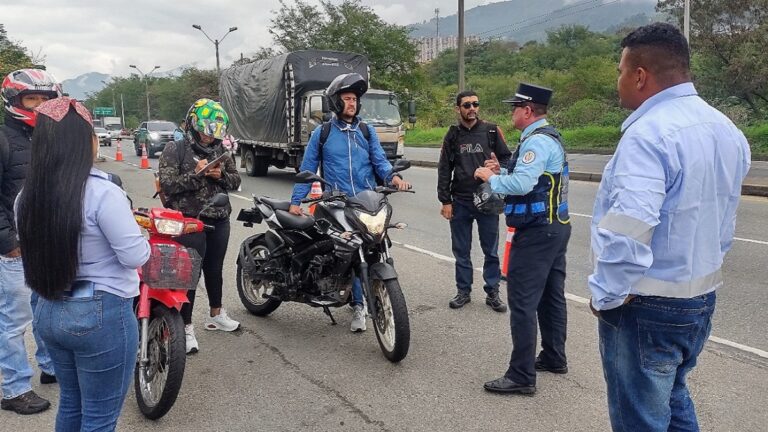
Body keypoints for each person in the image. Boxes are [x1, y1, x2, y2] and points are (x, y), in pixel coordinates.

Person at [588, 23, 751, 431]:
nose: (618, 80)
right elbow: (725, 223)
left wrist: (606, 294)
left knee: (639, 418)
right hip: (699, 298)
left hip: (645, 304)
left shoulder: (648, 135)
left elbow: (630, 226)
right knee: (674, 397)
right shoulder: (726, 130)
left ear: (640, 75)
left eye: (621, 70)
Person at [16, 97, 150, 429]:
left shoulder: (25, 197)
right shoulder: (103, 193)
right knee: (100, 418)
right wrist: (142, 238)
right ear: (86, 142)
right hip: (100, 315)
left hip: (49, 310)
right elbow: (135, 256)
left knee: (72, 406)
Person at [289, 73, 411, 332]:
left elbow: (380, 162)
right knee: (348, 252)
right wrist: (296, 201)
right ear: (335, 102)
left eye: (355, 99)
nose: (352, 103)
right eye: (347, 98)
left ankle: (378, 294)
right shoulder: (322, 134)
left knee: (376, 246)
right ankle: (357, 304)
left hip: (366, 202)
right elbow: (307, 168)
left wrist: (395, 177)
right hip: (336, 203)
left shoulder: (366, 132)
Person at [475, 82, 571, 396]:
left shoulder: (536, 143)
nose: (511, 112)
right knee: (551, 296)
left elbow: (520, 183)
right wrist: (501, 167)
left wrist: (492, 178)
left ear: (527, 110)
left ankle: (521, 375)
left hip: (537, 231)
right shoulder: (546, 137)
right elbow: (535, 178)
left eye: (514, 107)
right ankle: (554, 356)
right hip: (556, 227)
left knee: (522, 302)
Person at [159, 98, 242, 354]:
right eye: (206, 128)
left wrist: (221, 175)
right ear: (194, 125)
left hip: (219, 218)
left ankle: (216, 314)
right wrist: (197, 174)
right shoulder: (176, 148)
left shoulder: (221, 152)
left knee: (214, 269)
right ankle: (185, 326)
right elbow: (168, 185)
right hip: (189, 221)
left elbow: (236, 180)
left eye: (216, 130)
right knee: (189, 273)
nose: (210, 135)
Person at [0, 68, 61, 415]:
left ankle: (50, 367)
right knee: (13, 321)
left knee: (47, 309)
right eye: (31, 99)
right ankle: (14, 388)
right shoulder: (4, 140)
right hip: (14, 249)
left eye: (45, 99)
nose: (39, 106)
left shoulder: (48, 140)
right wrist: (8, 242)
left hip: (46, 244)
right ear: (14, 101)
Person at [438, 90, 511, 312]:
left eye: (475, 104)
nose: (472, 109)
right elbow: (444, 169)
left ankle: (493, 292)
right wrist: (445, 201)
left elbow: (508, 158)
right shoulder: (452, 135)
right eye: (467, 105)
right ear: (458, 108)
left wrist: (498, 167)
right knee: (461, 250)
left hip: (488, 200)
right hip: (460, 201)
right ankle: (463, 291)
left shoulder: (491, 131)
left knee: (490, 250)